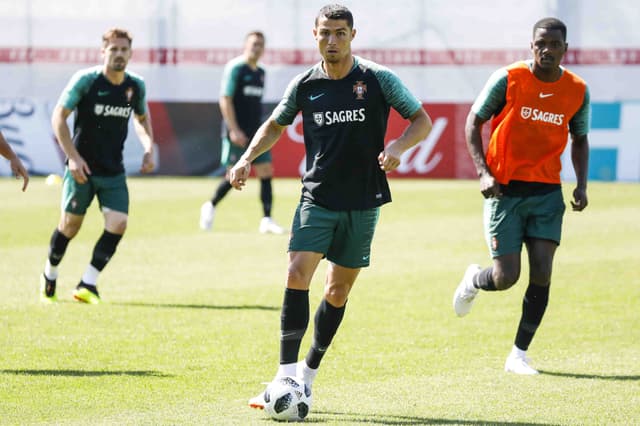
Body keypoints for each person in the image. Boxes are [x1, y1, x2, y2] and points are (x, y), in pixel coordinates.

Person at [228, 4, 433, 409]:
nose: (332, 41)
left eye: (340, 33)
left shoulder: (377, 79)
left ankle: (307, 375)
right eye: (325, 33)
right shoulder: (305, 84)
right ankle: (284, 376)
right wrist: (246, 158)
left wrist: (397, 146)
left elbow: (421, 120)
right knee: (295, 271)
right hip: (317, 196)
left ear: (353, 35)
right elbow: (275, 123)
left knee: (337, 291)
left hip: (363, 199)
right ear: (314, 34)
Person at [453, 17, 590, 375]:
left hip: (546, 193)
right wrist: (483, 172)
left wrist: (581, 184)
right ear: (532, 46)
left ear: (565, 48)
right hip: (505, 189)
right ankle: (473, 280)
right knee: (506, 276)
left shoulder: (577, 89)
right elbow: (473, 121)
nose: (547, 50)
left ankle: (519, 354)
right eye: (540, 44)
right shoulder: (509, 78)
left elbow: (580, 138)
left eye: (554, 45)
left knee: (542, 271)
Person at [40, 28, 155, 304]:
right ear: (103, 52)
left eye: (123, 49)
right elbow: (59, 117)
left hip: (112, 170)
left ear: (130, 53)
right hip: (82, 169)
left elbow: (141, 118)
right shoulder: (86, 81)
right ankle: (50, 273)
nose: (118, 54)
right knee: (70, 226)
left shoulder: (135, 85)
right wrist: (73, 157)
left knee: (119, 223)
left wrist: (150, 147)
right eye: (113, 49)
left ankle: (87, 284)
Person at [199, 31, 284, 234]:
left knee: (266, 171)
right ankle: (210, 205)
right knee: (233, 174)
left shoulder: (261, 72)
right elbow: (225, 99)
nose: (257, 47)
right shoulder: (236, 68)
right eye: (254, 43)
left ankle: (267, 219)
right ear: (245, 45)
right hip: (237, 132)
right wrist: (233, 129)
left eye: (260, 44)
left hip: (256, 133)